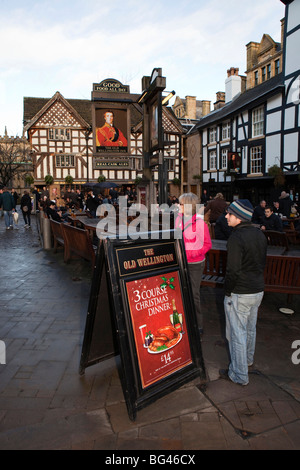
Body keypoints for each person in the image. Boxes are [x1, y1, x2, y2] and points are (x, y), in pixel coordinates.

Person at [220, 199, 267, 386]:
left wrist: (228, 291)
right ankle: (246, 361)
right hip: (257, 290)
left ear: (238, 217)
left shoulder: (236, 238)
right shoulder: (259, 234)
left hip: (240, 292)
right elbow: (262, 263)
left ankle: (239, 374)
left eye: (228, 213)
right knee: (250, 329)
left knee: (236, 333)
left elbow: (232, 270)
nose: (225, 216)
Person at [175, 193, 212, 334]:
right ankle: (183, 322)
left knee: (193, 294)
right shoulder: (179, 219)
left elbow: (207, 244)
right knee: (180, 294)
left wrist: (188, 253)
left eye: (181, 204)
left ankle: (198, 325)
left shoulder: (200, 223)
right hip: (181, 262)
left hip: (194, 264)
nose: (179, 206)